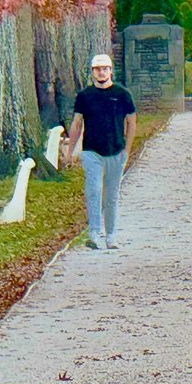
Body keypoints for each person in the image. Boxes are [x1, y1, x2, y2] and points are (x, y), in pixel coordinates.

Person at [63, 54, 136, 250]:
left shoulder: (122, 94)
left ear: (111, 70)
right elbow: (77, 123)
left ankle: (111, 235)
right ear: (93, 72)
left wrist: (127, 150)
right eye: (97, 69)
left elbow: (131, 122)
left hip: (115, 150)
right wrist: (70, 152)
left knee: (111, 194)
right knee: (93, 191)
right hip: (91, 151)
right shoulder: (85, 96)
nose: (101, 72)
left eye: (105, 68)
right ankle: (95, 233)